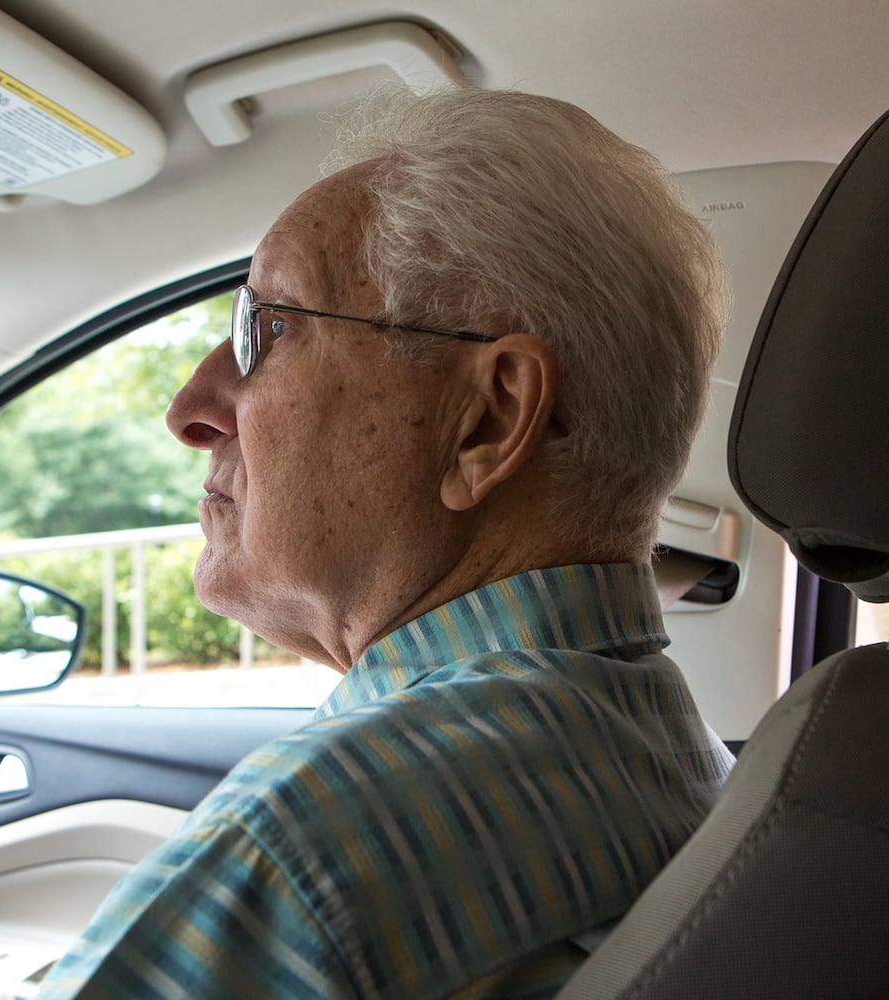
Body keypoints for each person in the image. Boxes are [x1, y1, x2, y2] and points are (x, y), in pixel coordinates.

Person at [38, 87, 733, 999]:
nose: (192, 410)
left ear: (488, 417)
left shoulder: (300, 859)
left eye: (268, 328)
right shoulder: (689, 755)